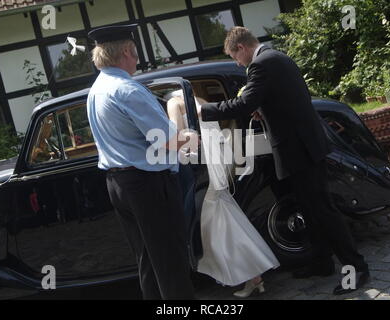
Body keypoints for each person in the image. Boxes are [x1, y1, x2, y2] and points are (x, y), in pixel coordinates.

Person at [200, 27, 370, 295]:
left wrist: (204, 110)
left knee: (323, 210)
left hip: (300, 150)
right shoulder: (275, 57)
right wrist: (264, 111)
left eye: (235, 57)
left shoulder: (260, 65)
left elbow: (243, 104)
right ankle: (322, 261)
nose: (237, 63)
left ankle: (356, 268)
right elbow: (283, 100)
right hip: (302, 146)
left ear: (242, 48)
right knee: (309, 208)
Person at [86, 24, 196, 300]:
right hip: (146, 184)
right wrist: (190, 134)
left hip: (119, 182)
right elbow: (168, 140)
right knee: (171, 260)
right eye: (136, 54)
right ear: (126, 51)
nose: (137, 59)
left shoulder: (96, 89)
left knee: (147, 260)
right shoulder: (127, 90)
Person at [166, 90, 280, 298]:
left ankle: (252, 274)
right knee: (223, 219)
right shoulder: (200, 100)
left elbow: (180, 140)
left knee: (218, 225)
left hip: (203, 170)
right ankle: (254, 276)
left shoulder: (173, 104)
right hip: (218, 165)